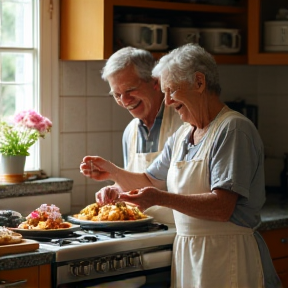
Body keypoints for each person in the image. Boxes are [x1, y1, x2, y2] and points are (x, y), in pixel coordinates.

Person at [80, 43, 281, 287]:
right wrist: (111, 171)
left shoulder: (233, 129)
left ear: (199, 82)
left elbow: (222, 207)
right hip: (189, 255)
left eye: (171, 91)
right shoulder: (183, 135)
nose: (166, 101)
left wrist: (161, 198)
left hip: (229, 255)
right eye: (163, 92)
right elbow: (149, 180)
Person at [94, 47, 182, 223]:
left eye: (130, 90)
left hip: (175, 231)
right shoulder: (130, 131)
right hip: (141, 231)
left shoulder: (182, 124)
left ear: (155, 82)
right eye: (117, 95)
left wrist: (114, 173)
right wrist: (117, 189)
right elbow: (134, 181)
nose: (125, 101)